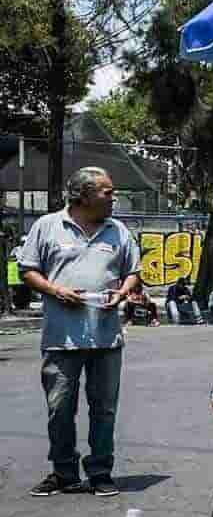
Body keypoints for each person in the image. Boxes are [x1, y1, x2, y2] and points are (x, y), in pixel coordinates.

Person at [20, 167, 142, 497]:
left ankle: (101, 472)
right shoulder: (47, 226)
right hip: (61, 338)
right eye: (107, 192)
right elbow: (27, 270)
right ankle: (63, 473)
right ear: (83, 195)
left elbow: (133, 272)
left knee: (104, 409)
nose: (113, 197)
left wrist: (121, 293)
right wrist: (56, 291)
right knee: (60, 409)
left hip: (106, 337)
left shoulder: (118, 231)